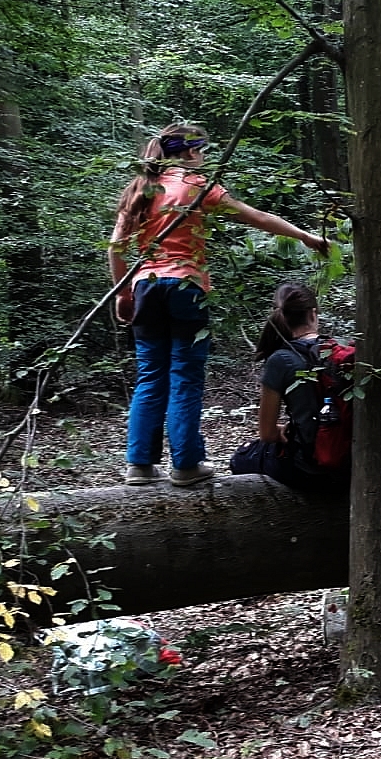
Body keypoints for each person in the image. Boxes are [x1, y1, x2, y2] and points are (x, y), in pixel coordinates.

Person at [110, 123, 330, 487]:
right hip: (186, 286)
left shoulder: (140, 189)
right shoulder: (197, 188)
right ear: (193, 153)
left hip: (145, 287)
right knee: (184, 376)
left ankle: (140, 464)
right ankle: (185, 464)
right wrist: (305, 236)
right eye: (203, 152)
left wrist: (122, 293)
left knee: (150, 375)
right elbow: (257, 217)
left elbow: (117, 246)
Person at [228, 283, 348, 491]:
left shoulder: (281, 360)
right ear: (313, 314)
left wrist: (285, 430)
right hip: (348, 465)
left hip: (309, 470)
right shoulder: (340, 351)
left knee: (242, 457)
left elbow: (266, 434)